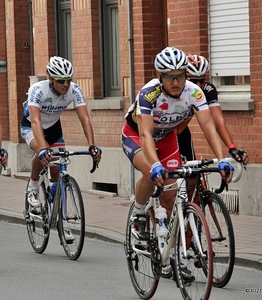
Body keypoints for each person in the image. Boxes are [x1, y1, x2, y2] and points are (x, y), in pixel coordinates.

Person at [122, 47, 234, 282]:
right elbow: (145, 134)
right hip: (137, 137)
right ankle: (139, 214)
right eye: (170, 76)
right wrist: (154, 164)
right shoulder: (149, 94)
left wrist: (222, 158)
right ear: (159, 76)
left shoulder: (194, 93)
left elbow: (208, 125)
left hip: (168, 139)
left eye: (181, 75)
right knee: (151, 174)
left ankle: (174, 256)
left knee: (172, 198)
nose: (176, 81)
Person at [20, 56, 102, 241]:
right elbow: (35, 120)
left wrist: (92, 145)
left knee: (57, 172)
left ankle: (62, 219)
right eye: (61, 81)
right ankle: (33, 185)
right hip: (31, 126)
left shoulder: (74, 90)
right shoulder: (38, 90)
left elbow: (84, 118)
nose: (65, 85)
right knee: (43, 153)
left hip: (54, 129)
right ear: (50, 78)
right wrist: (42, 148)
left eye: (68, 80)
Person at [177, 54, 248, 165]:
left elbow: (218, 121)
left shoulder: (207, 90)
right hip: (162, 133)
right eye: (194, 81)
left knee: (193, 177)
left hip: (181, 131)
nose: (199, 85)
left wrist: (231, 147)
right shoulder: (175, 90)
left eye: (202, 80)